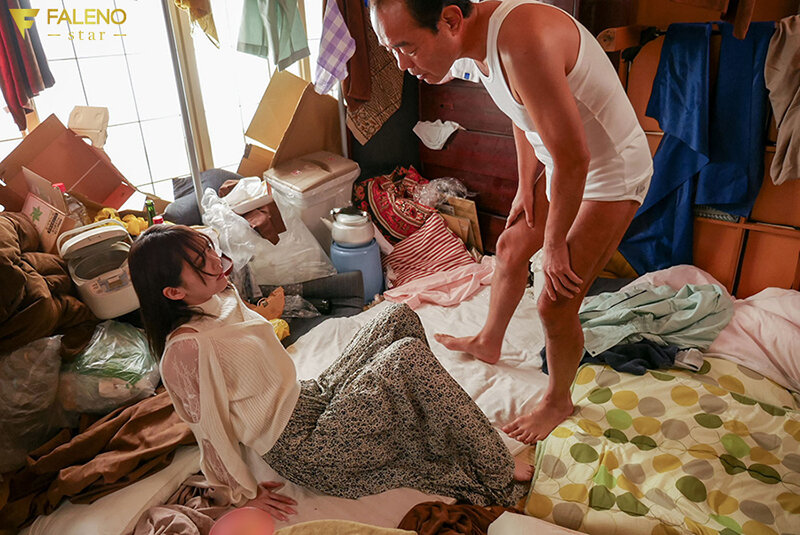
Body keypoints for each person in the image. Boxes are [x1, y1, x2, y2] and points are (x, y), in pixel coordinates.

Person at [370, 0, 653, 445]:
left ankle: (558, 401)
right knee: (509, 246)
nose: (403, 65)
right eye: (391, 51)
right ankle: (489, 341)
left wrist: (555, 244)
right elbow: (521, 114)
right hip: (563, 164)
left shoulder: (522, 42)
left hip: (609, 172)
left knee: (555, 299)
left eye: (407, 48)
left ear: (450, 20)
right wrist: (525, 186)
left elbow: (575, 159)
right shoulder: (481, 43)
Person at [128, 225, 530, 520]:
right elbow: (209, 432)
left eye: (209, 251)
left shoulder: (219, 296)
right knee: (404, 356)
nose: (218, 262)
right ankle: (496, 466)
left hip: (312, 396)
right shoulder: (186, 351)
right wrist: (242, 494)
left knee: (396, 316)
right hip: (306, 447)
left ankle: (432, 418)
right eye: (202, 264)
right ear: (174, 293)